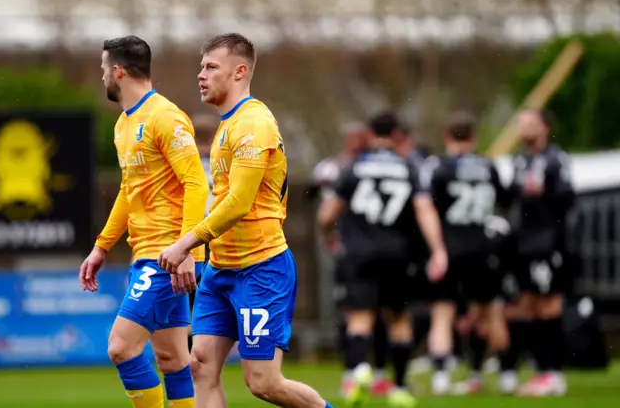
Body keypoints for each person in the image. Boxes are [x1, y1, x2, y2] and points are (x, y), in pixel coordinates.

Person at [157, 33, 335, 408]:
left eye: (210, 67)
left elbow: (238, 203)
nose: (200, 76)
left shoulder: (254, 123)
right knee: (200, 366)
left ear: (240, 72)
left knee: (264, 383)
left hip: (261, 269)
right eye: (200, 67)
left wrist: (186, 243)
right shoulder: (228, 123)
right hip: (221, 270)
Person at [79, 35, 209, 408]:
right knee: (172, 359)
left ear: (117, 71)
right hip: (149, 255)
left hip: (167, 256)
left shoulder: (165, 117)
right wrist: (102, 246)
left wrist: (186, 248)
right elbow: (128, 190)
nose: (102, 75)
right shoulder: (124, 125)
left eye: (103, 68)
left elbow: (196, 182)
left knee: (121, 347)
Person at [318, 111, 448, 407]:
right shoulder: (409, 167)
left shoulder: (353, 167)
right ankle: (400, 388)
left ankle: (360, 370)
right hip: (398, 255)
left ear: (368, 133)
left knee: (360, 318)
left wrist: (328, 235)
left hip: (360, 253)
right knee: (399, 320)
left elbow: (327, 213)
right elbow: (425, 210)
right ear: (398, 135)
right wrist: (438, 249)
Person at [421, 111, 511, 395]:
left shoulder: (442, 169)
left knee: (443, 312)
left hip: (451, 246)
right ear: (474, 137)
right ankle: (507, 374)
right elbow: (503, 201)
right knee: (491, 311)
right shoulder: (489, 167)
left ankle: (440, 377)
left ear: (447, 137)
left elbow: (429, 207)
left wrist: (436, 249)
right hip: (483, 246)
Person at [500, 108, 574, 397]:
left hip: (549, 243)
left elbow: (568, 198)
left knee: (548, 304)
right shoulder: (520, 160)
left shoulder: (556, 159)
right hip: (525, 243)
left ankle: (553, 373)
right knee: (526, 305)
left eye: (529, 123)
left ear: (544, 127)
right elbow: (508, 196)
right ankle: (538, 368)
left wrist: (544, 191)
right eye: (520, 123)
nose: (523, 128)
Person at [187, 113, 219, 353]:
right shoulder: (224, 160)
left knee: (191, 297)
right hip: (217, 233)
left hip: (193, 235)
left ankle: (193, 349)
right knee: (208, 295)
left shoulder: (185, 161)